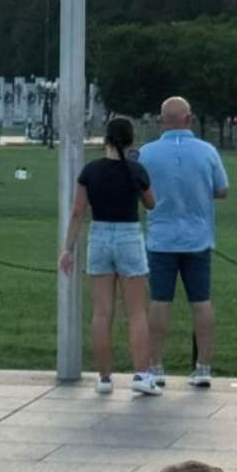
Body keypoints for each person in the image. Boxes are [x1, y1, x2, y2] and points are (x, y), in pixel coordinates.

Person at [59, 116, 160, 396]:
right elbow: (151, 203)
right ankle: (142, 374)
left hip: (99, 236)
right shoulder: (136, 170)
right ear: (131, 141)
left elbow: (78, 212)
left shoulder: (91, 171)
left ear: (105, 139)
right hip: (128, 236)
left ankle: (104, 378)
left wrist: (68, 248)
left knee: (102, 313)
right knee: (136, 312)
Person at [138, 97, 229, 388]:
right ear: (189, 119)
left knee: (159, 302)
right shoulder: (207, 151)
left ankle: (155, 366)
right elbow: (222, 189)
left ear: (161, 120)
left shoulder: (147, 153)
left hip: (161, 239)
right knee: (201, 302)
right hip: (197, 239)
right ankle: (203, 367)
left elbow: (140, 190)